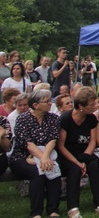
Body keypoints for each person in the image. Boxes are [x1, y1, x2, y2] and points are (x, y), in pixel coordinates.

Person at [58, 87, 99, 217]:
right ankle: (73, 207)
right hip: (67, 155)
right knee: (74, 169)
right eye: (91, 104)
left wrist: (85, 158)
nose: (95, 107)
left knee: (94, 164)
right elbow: (61, 146)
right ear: (81, 105)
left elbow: (93, 141)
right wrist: (77, 162)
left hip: (84, 153)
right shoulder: (65, 119)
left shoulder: (91, 119)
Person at [10, 89, 62, 218]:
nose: (51, 103)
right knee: (37, 172)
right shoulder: (23, 119)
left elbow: (52, 139)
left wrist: (45, 158)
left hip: (48, 153)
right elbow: (28, 144)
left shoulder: (53, 118)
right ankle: (36, 212)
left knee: (53, 168)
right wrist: (42, 158)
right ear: (35, 105)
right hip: (22, 155)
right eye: (47, 101)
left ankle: (53, 210)